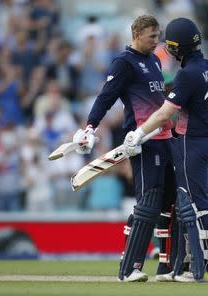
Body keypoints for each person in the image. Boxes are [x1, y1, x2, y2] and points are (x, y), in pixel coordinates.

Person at [123, 17, 208, 282]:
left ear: (176, 48)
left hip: (191, 143)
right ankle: (185, 266)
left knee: (193, 206)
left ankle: (203, 268)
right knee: (198, 202)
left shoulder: (187, 74)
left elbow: (164, 115)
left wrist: (139, 133)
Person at [72, 15, 176, 282]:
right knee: (148, 204)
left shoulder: (154, 60)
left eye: (158, 35)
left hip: (166, 139)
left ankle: (166, 267)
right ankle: (130, 267)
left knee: (168, 205)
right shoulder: (124, 62)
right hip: (143, 141)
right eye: (152, 36)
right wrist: (90, 127)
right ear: (137, 33)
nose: (157, 41)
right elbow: (106, 96)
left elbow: (160, 100)